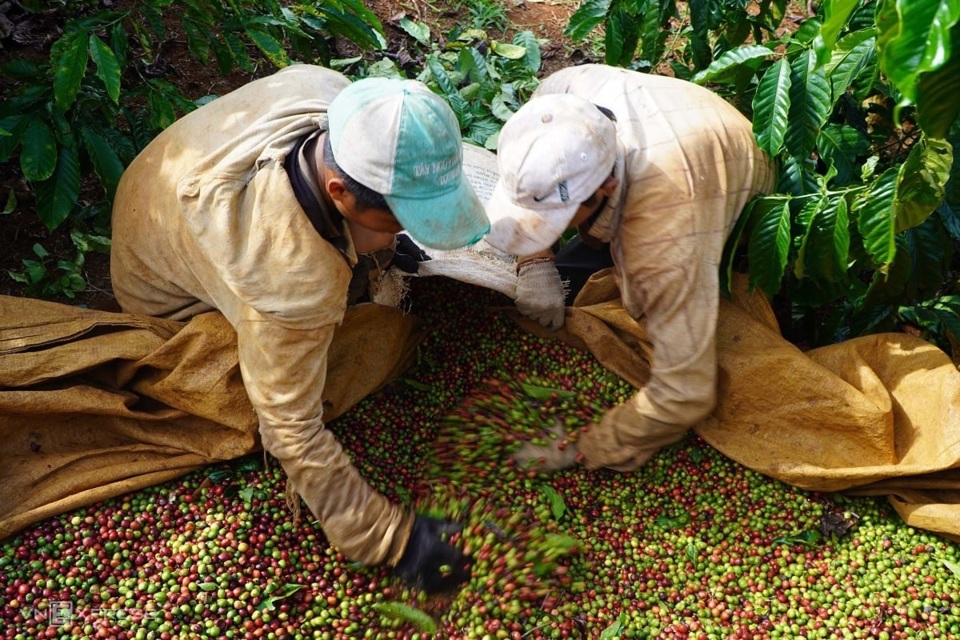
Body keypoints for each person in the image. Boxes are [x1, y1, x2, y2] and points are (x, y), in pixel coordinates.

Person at [110, 64, 489, 591]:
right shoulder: (290, 284)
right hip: (169, 302)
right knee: (359, 353)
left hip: (157, 193)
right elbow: (289, 427)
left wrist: (381, 235)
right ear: (341, 193)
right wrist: (390, 537)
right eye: (396, 220)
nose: (403, 234)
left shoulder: (330, 93)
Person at [485, 64, 775, 472]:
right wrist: (535, 258)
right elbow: (539, 181)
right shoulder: (564, 95)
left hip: (744, 203)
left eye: (555, 216)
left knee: (660, 306)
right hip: (687, 136)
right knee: (572, 276)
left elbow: (685, 391)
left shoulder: (663, 238)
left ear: (606, 187)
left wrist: (593, 446)